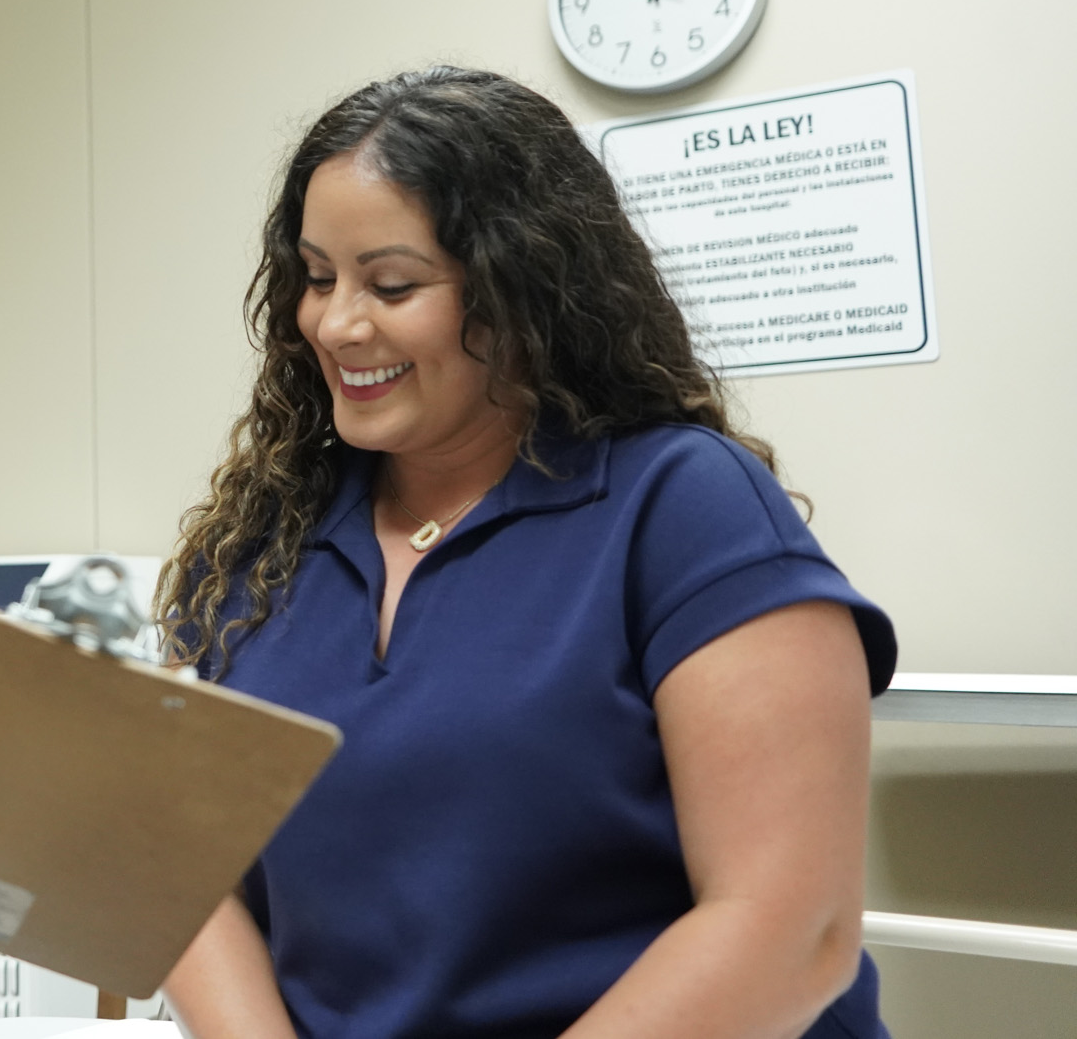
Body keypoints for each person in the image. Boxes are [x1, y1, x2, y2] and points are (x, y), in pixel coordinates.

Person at [158, 67, 896, 1039]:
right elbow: (179, 863)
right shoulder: (266, 545)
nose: (334, 323)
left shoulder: (677, 506)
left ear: (522, 289)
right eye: (316, 275)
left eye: (391, 284)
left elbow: (787, 930)